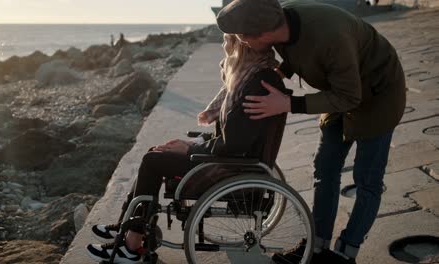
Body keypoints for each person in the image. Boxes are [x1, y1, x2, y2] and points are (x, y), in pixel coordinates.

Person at [215, 0, 406, 263]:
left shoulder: (330, 36)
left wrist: (289, 104)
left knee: (367, 182)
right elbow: (297, 51)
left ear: (263, 33)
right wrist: (278, 73)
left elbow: (350, 96)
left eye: (243, 37)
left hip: (378, 95)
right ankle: (315, 248)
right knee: (325, 169)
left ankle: (344, 253)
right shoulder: (278, 20)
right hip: (338, 87)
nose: (242, 42)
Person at [85, 33, 292, 264]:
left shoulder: (256, 84)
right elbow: (233, 136)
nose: (224, 47)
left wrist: (190, 148)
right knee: (157, 152)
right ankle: (130, 225)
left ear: (239, 48)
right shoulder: (253, 78)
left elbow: (235, 143)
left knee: (153, 161)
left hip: (230, 168)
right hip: (230, 160)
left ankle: (132, 245)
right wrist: (194, 144)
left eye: (227, 41)